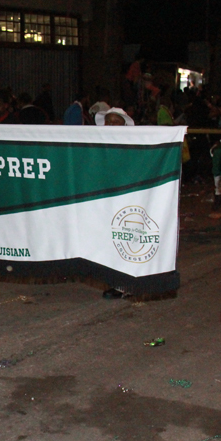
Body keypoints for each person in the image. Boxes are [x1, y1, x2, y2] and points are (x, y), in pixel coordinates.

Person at [94, 107, 135, 300]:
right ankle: (115, 282)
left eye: (115, 121)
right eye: (108, 121)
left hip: (124, 200)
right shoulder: (98, 146)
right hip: (103, 201)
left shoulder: (132, 145)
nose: (111, 125)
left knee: (123, 240)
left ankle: (124, 284)